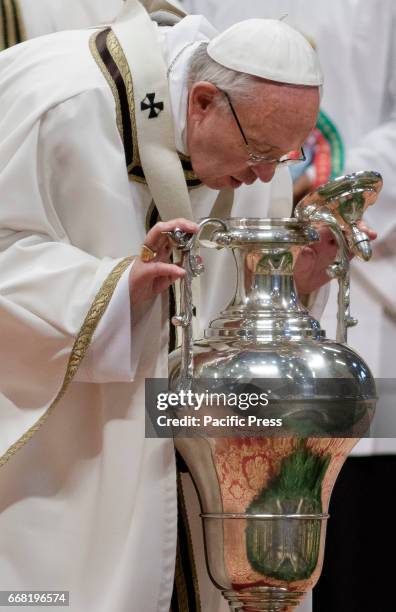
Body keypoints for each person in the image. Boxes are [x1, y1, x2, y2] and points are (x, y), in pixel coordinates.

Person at [0, 1, 375, 611]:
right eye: (257, 154)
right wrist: (115, 289)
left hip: (202, 454)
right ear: (201, 101)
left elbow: (237, 304)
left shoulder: (258, 137)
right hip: (78, 451)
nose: (263, 177)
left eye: (282, 159)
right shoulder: (54, 99)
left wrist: (294, 280)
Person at [183, 1, 396, 611]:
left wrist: (325, 180)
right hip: (236, 228)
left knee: (357, 542)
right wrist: (273, 174)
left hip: (361, 282)